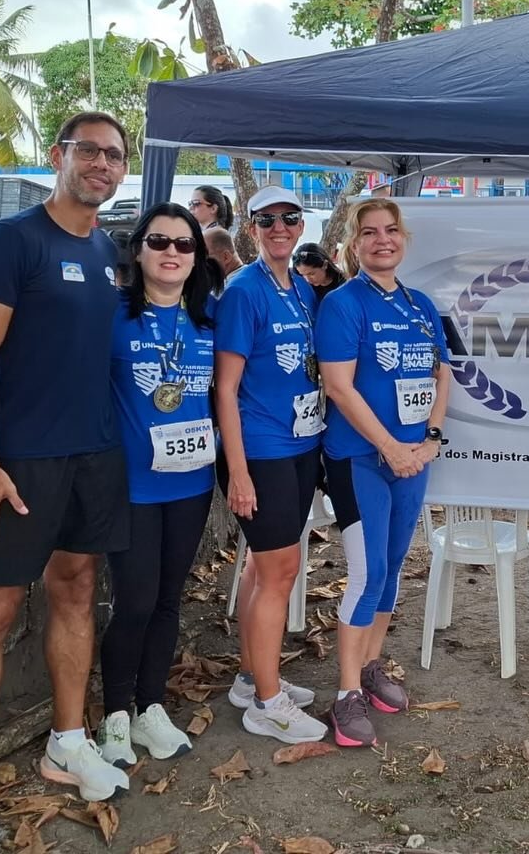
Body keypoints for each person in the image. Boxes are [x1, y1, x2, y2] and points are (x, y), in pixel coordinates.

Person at [0, 112, 132, 854]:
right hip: (22, 465)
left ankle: (66, 741)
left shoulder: (110, 250)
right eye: (89, 151)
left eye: (115, 156)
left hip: (95, 454)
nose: (103, 165)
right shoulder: (12, 240)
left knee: (78, 590)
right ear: (59, 156)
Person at [316, 199, 451, 747]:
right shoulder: (343, 305)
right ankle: (346, 693)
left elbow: (443, 374)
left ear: (405, 239)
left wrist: (431, 439)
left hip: (413, 460)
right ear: (353, 245)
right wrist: (392, 447)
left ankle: (371, 665)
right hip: (360, 460)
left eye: (391, 231)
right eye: (368, 233)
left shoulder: (420, 305)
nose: (381, 240)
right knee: (367, 571)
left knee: (393, 566)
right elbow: (339, 386)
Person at [96, 203, 218, 768]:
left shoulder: (206, 321)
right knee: (135, 602)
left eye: (185, 244)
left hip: (191, 485)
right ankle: (115, 715)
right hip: (133, 487)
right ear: (138, 250)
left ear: (196, 258)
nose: (172, 252)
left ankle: (151, 706)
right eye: (160, 241)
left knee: (169, 600)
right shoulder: (112, 316)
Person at [215, 185, 328, 744]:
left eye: (289, 218)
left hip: (301, 444)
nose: (279, 227)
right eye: (267, 220)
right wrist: (237, 472)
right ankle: (267, 702)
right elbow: (226, 389)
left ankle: (251, 676)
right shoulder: (242, 291)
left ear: (301, 225)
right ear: (251, 228)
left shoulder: (301, 290)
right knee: (281, 569)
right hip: (260, 451)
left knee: (265, 567)